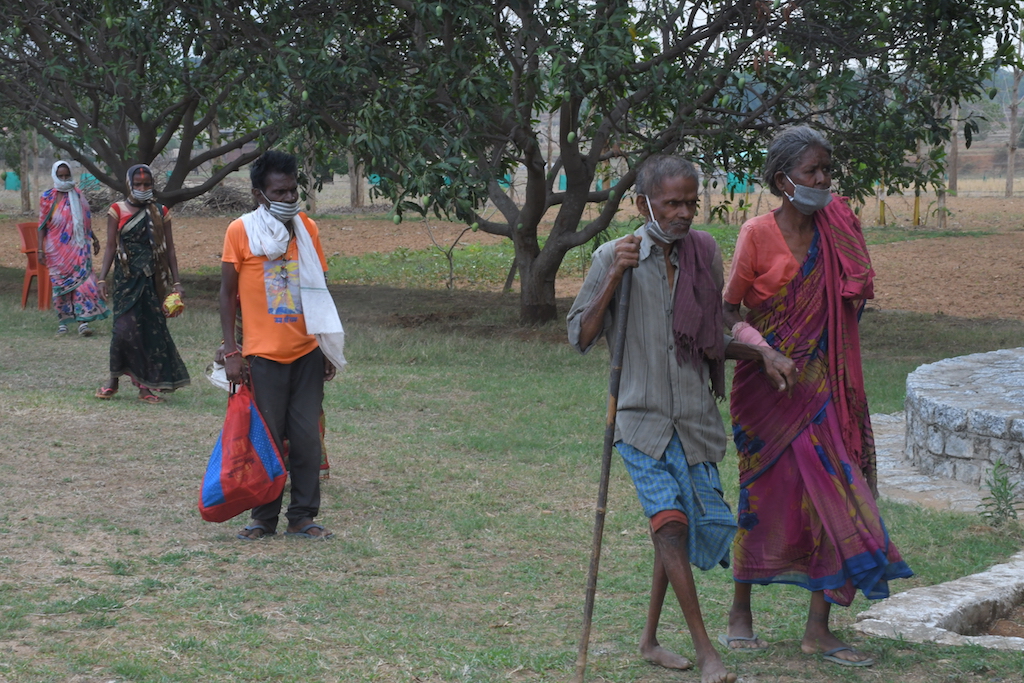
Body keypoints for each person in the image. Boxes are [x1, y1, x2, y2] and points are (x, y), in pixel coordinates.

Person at [567, 155, 792, 683]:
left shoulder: (704, 252)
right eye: (672, 203)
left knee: (679, 527)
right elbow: (579, 336)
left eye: (691, 202)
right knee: (669, 526)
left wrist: (762, 353)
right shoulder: (613, 255)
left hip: (693, 422)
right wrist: (614, 276)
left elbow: (711, 335)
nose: (685, 213)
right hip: (639, 422)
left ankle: (649, 641)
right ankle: (707, 652)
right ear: (642, 204)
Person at [721, 126, 913, 666]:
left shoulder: (838, 227)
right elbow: (727, 312)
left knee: (835, 494)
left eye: (828, 169)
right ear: (783, 179)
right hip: (767, 392)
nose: (824, 179)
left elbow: (853, 293)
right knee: (761, 498)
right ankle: (740, 613)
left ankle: (818, 629)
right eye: (812, 171)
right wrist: (765, 351)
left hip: (825, 387)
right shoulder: (756, 233)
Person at [219, 150, 346, 542]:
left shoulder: (307, 228)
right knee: (267, 441)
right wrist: (232, 351)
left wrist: (325, 344)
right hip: (261, 358)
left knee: (306, 439)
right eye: (279, 192)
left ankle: (302, 517)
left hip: (307, 354)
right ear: (259, 194)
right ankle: (263, 519)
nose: (289, 198)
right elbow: (226, 295)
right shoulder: (240, 231)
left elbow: (319, 289)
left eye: (293, 191)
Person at [95, 164, 190, 403]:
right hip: (126, 279)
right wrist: (101, 278)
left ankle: (145, 388)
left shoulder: (160, 211)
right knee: (122, 331)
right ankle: (113, 379)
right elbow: (110, 247)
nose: (142, 188)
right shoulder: (117, 210)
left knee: (148, 332)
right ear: (129, 185)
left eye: (147, 184)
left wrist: (177, 283)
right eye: (137, 184)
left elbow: (169, 249)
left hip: (152, 279)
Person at [37, 161, 109, 336]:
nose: (64, 179)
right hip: (57, 251)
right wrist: (39, 249)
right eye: (60, 176)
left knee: (84, 283)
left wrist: (94, 238)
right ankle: (63, 322)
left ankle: (83, 322)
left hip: (79, 248)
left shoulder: (78, 195)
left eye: (66, 175)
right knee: (60, 286)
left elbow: (83, 221)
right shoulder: (48, 197)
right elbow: (42, 225)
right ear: (54, 176)